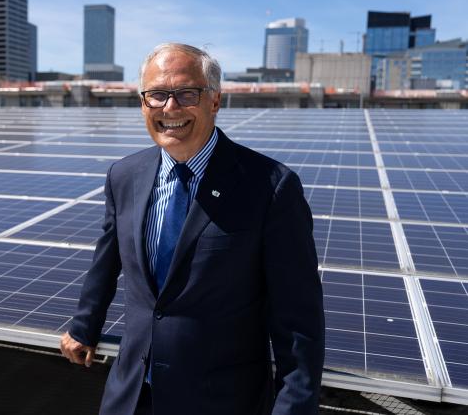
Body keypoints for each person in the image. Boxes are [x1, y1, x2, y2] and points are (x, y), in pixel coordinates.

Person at [60, 43, 325, 415]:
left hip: (221, 400)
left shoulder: (270, 187)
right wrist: (85, 325)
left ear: (214, 101)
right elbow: (107, 261)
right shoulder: (124, 176)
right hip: (132, 394)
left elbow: (298, 322)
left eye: (186, 94)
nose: (170, 108)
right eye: (157, 95)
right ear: (143, 103)